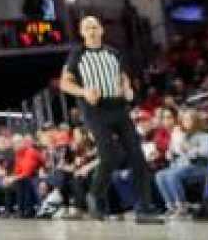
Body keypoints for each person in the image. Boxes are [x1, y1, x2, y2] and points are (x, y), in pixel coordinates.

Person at [59, 14, 161, 220]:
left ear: (102, 30)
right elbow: (65, 83)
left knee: (137, 157)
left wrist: (127, 88)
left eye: (95, 27)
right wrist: (84, 92)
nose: (92, 31)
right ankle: (95, 195)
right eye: (87, 28)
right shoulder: (77, 54)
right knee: (109, 155)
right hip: (94, 109)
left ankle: (144, 208)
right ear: (82, 33)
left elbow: (122, 77)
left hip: (118, 106)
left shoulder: (114, 53)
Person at [153, 109, 208, 217]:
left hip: (200, 167)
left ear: (195, 121)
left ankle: (182, 206)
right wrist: (170, 153)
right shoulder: (183, 136)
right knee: (160, 175)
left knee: (173, 174)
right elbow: (177, 153)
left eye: (188, 119)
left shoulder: (205, 135)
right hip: (184, 167)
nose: (185, 122)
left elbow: (206, 153)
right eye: (184, 120)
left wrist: (189, 149)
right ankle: (171, 206)